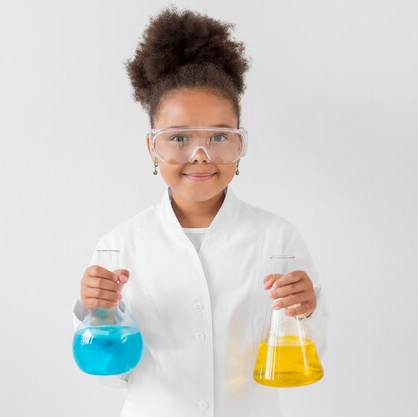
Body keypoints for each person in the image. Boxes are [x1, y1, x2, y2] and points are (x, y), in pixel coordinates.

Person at [72, 6, 328, 417]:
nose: (201, 155)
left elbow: (308, 350)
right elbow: (106, 374)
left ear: (241, 144)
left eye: (219, 136)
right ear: (152, 148)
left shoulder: (277, 238)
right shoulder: (119, 245)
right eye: (179, 138)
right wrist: (96, 309)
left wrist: (307, 308)